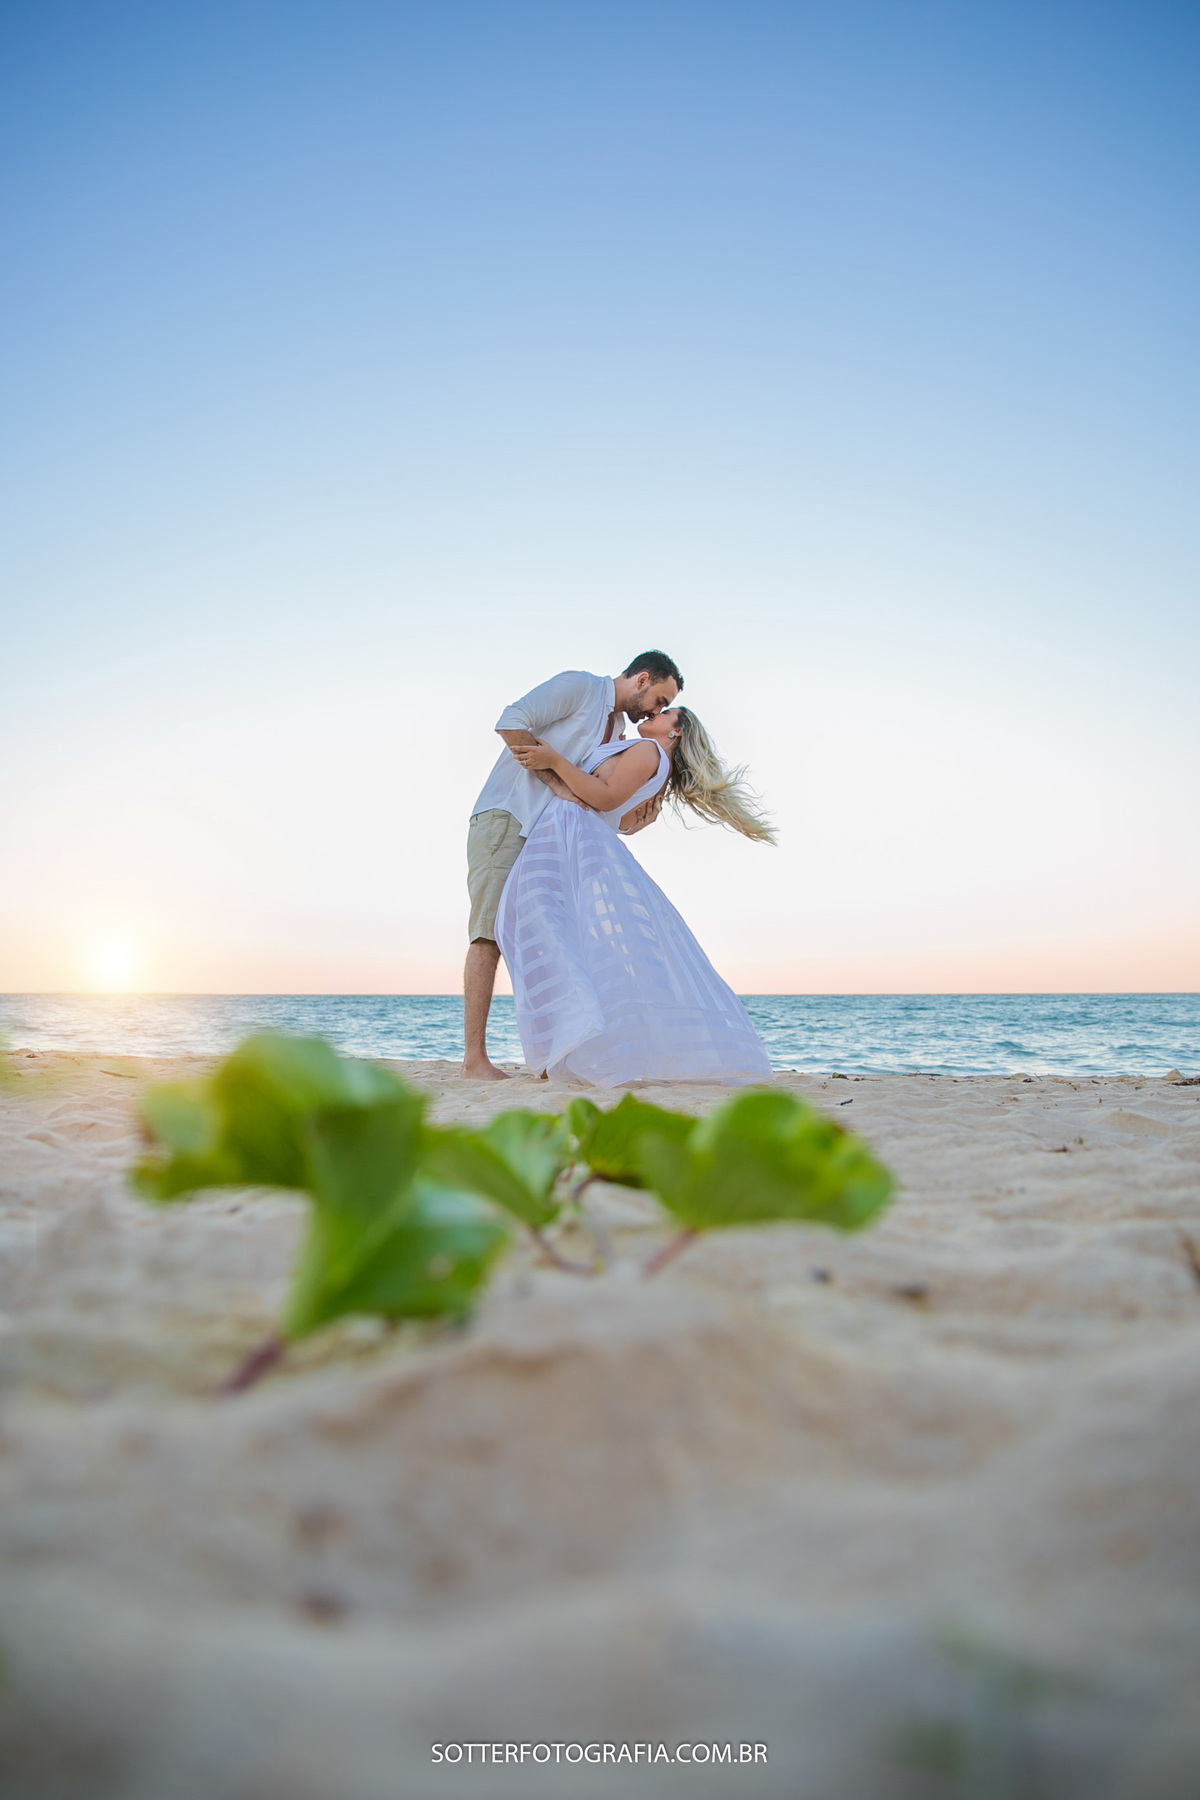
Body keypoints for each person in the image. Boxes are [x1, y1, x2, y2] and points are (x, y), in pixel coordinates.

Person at [495, 706, 775, 1086]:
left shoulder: (650, 752)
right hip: (577, 834)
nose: (656, 711)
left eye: (667, 711)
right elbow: (623, 819)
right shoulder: (650, 760)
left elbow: (606, 798)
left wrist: (554, 760)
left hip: (567, 832)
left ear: (675, 732)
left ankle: (567, 1041)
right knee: (550, 933)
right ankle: (567, 1044)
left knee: (532, 928)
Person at [464, 653, 683, 1079]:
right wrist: (552, 777)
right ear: (641, 679)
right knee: (489, 935)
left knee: (545, 942)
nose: (656, 711)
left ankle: (550, 1059)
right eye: (659, 698)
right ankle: (475, 1060)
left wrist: (630, 822)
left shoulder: (617, 731)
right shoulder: (581, 687)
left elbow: (589, 800)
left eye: (664, 707)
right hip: (509, 815)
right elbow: (511, 720)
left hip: (545, 839)